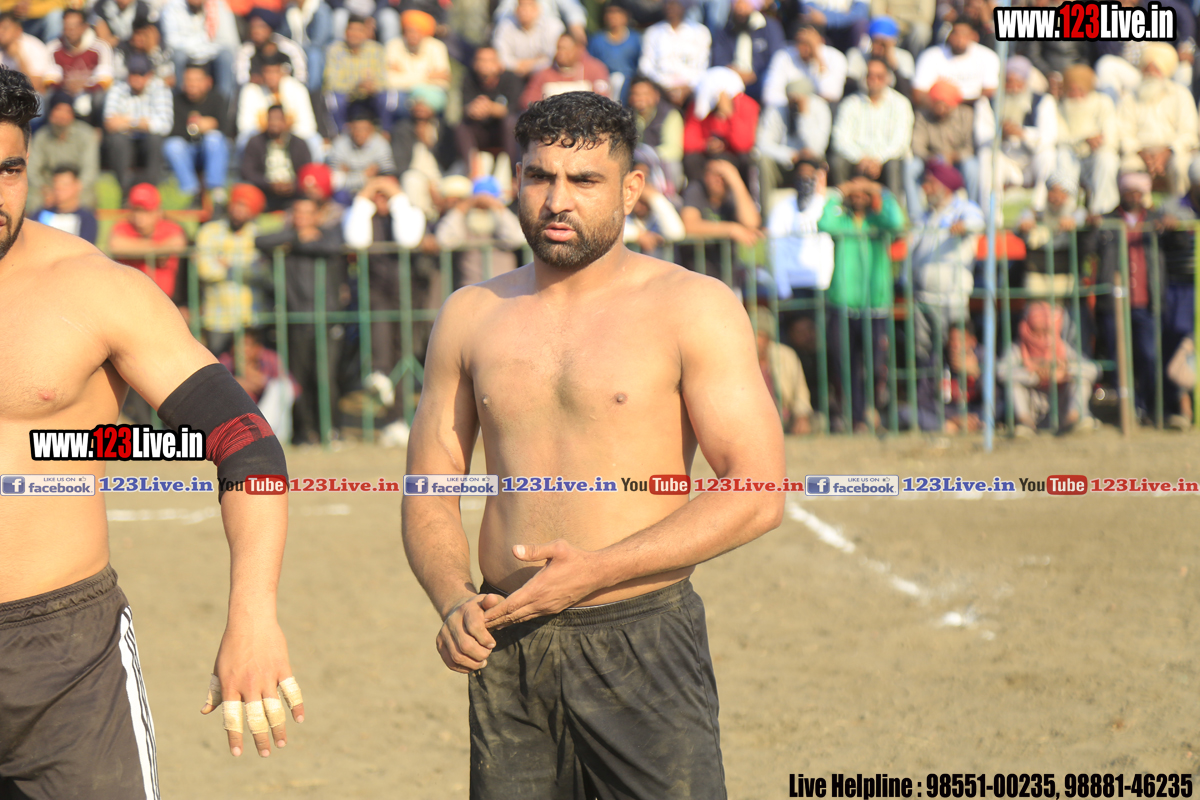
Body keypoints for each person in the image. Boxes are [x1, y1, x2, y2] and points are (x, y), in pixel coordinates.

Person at [402, 89, 784, 799]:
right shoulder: (470, 314)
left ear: (631, 188)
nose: (557, 201)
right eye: (539, 177)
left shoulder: (692, 306)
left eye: (583, 180)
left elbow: (757, 493)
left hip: (641, 639)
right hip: (506, 642)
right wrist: (453, 599)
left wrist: (598, 570)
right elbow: (430, 486)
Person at [0, 67, 302, 800]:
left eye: (8, 170)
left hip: (63, 658)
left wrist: (253, 617)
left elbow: (247, 443)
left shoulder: (93, 288)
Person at [254, 198, 346, 444]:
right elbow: (259, 241)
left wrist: (297, 242)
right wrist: (296, 237)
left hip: (327, 318)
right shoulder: (287, 237)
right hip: (295, 318)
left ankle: (331, 429)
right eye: (297, 212)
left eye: (308, 212)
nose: (302, 217)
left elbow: (332, 247)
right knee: (299, 377)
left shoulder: (329, 235)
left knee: (326, 376)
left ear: (318, 215)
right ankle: (304, 432)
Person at [817, 175, 905, 431]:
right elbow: (824, 222)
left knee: (876, 364)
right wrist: (838, 191)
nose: (858, 195)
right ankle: (857, 418)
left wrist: (879, 190)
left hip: (875, 304)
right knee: (846, 365)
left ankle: (874, 410)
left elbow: (897, 221)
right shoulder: (842, 222)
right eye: (854, 192)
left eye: (863, 192)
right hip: (843, 304)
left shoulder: (878, 222)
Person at [342, 174, 426, 439]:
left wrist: (397, 198)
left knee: (403, 353)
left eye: (385, 195)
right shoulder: (361, 215)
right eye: (376, 195)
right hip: (374, 290)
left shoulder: (412, 213)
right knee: (380, 344)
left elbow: (407, 239)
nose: (380, 200)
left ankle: (397, 419)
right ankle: (379, 379)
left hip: (407, 291)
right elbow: (356, 240)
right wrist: (363, 198)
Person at [907, 160, 984, 432]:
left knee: (955, 354)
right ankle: (931, 410)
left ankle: (962, 411)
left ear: (944, 186)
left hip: (952, 298)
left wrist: (964, 226)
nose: (925, 189)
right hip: (923, 297)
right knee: (925, 355)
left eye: (930, 183)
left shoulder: (963, 208)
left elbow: (977, 222)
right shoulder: (926, 216)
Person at [996, 301, 1100, 434]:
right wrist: (1035, 377)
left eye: (1047, 331)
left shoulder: (1062, 347)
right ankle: (1024, 422)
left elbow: (1094, 370)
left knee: (1082, 381)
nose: (1043, 338)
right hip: (1033, 405)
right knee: (1013, 384)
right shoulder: (1017, 349)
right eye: (1037, 332)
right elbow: (1001, 372)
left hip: (1060, 405)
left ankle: (1073, 419)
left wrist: (1065, 371)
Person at [195, 183, 270, 356]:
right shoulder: (209, 231)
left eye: (246, 206)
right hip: (218, 318)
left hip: (251, 317)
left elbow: (264, 273)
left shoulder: (259, 235)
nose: (239, 210)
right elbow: (205, 270)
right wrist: (245, 267)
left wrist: (227, 264)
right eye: (237, 203)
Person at [1117, 42, 1199, 198]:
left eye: (1154, 69)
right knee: (1128, 166)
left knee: (1181, 166)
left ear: (1164, 71)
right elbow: (1123, 132)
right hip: (1140, 153)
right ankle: (1139, 211)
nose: (1149, 73)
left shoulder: (1180, 94)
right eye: (1146, 68)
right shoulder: (1130, 98)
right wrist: (1142, 153)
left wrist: (1167, 152)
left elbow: (1189, 133)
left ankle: (1180, 208)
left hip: (1173, 152)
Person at [981, 56, 1057, 212]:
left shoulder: (1043, 101)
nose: (1014, 88)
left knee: (1048, 154)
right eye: (1009, 82)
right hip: (1005, 158)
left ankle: (1038, 209)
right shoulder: (988, 102)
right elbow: (981, 137)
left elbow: (1049, 137)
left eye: (1018, 83)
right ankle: (991, 214)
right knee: (986, 155)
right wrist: (1001, 135)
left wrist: (1022, 133)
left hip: (1031, 159)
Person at [829, 56, 912, 199]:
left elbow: (900, 143)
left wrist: (878, 160)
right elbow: (839, 139)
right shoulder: (850, 103)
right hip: (856, 160)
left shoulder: (901, 104)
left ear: (888, 78)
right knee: (837, 161)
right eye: (870, 76)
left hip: (886, 160)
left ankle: (894, 209)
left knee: (893, 165)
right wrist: (861, 158)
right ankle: (841, 206)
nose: (873, 80)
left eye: (879, 76)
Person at [103, 53, 173, 200]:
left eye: (141, 74)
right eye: (133, 73)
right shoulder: (118, 87)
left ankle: (150, 193)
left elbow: (165, 125)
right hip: (125, 141)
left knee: (155, 140)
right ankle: (125, 194)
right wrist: (141, 122)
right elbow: (110, 123)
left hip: (148, 142)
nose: (136, 78)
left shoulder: (160, 88)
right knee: (117, 140)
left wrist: (127, 121)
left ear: (149, 75)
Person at [755, 75, 830, 206]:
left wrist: (804, 115)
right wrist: (790, 155)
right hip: (785, 162)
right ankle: (766, 211)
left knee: (812, 165)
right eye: (791, 98)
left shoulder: (820, 108)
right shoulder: (776, 110)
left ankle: (814, 211)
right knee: (763, 162)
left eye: (798, 98)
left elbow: (817, 147)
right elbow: (762, 144)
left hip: (811, 160)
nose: (794, 102)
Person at [1056, 64, 1120, 216]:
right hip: (1073, 156)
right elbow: (1060, 137)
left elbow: (1111, 136)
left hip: (1096, 154)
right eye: (1071, 90)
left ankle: (1101, 210)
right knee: (1063, 154)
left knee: (1107, 158)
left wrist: (1096, 142)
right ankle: (1067, 211)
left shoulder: (1103, 102)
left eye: (1080, 90)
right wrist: (1083, 140)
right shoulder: (1061, 107)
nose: (1076, 95)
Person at [108, 181, 188, 302]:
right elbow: (116, 245)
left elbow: (178, 243)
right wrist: (158, 249)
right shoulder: (123, 227)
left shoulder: (171, 227)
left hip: (165, 300)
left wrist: (136, 248)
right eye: (136, 210)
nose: (140, 217)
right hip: (129, 299)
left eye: (146, 211)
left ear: (158, 211)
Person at [906, 79, 978, 210]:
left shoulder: (966, 115)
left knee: (972, 166)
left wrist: (953, 156)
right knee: (911, 167)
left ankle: (973, 209)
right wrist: (933, 158)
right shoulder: (922, 116)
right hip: (931, 162)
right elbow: (917, 146)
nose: (940, 109)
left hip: (957, 161)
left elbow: (970, 147)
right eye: (936, 104)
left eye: (944, 104)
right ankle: (916, 215)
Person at [165, 62, 230, 205]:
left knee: (214, 138)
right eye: (188, 80)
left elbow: (228, 130)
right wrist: (195, 127)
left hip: (209, 150)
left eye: (197, 80)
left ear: (208, 82)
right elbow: (171, 131)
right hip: (187, 151)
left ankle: (215, 191)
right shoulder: (176, 100)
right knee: (172, 145)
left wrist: (213, 126)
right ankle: (190, 192)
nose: (192, 84)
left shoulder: (218, 99)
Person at [456, 45, 523, 177]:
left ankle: (514, 175)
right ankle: (471, 172)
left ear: (499, 64)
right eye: (481, 60)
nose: (485, 65)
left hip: (503, 132)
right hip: (480, 132)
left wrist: (491, 108)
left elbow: (513, 108)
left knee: (510, 122)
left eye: (489, 60)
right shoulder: (468, 78)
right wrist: (473, 109)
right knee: (461, 125)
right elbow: (465, 107)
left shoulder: (511, 79)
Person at [27, 91, 99, 213]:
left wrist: (70, 190)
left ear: (72, 114)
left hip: (76, 187)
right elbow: (32, 170)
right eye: (58, 110)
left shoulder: (86, 135)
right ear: (50, 112)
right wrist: (46, 189)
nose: (62, 115)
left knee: (87, 199)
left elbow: (90, 170)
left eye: (67, 111)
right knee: (33, 199)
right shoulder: (41, 136)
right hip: (50, 187)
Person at [46, 8, 115, 125]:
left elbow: (106, 79)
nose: (71, 30)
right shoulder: (53, 47)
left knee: (101, 98)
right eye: (67, 26)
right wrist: (67, 85)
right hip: (64, 95)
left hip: (91, 96)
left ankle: (98, 128)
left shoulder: (100, 47)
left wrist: (84, 86)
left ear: (85, 27)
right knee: (49, 97)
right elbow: (49, 80)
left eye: (75, 26)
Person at [707, 0, 785, 104]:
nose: (740, 10)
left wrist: (754, 74)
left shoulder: (770, 27)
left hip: (761, 80)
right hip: (731, 79)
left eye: (744, 4)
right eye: (737, 5)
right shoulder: (726, 29)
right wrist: (735, 73)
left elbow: (777, 58)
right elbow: (719, 59)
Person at [638, 0, 712, 107]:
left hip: (692, 91)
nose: (671, 7)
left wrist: (686, 88)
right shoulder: (652, 32)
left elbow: (703, 67)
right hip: (661, 91)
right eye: (668, 3)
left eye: (675, 3)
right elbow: (645, 67)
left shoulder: (700, 31)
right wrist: (666, 87)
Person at [240, 105, 312, 212]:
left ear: (285, 121)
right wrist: (269, 184)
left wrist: (293, 185)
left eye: (278, 119)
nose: (274, 123)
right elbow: (247, 172)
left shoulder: (299, 143)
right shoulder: (255, 142)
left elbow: (307, 171)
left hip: (294, 192)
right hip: (265, 191)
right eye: (271, 119)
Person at [160, 0, 237, 99]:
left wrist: (204, 45)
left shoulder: (216, 5)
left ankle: (224, 101)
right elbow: (172, 42)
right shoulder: (172, 7)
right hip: (186, 53)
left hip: (208, 52)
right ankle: (179, 98)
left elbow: (227, 39)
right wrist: (200, 44)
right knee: (179, 57)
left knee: (226, 56)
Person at [323, 14, 388, 131]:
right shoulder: (335, 50)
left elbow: (384, 80)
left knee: (387, 97)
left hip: (371, 96)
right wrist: (357, 86)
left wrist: (373, 86)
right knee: (334, 99)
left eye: (359, 30)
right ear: (345, 32)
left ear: (366, 33)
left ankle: (386, 131)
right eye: (351, 30)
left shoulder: (376, 49)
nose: (354, 34)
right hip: (348, 97)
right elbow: (332, 83)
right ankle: (339, 133)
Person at [754, 307, 812, 434]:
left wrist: (802, 416)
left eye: (760, 335)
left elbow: (800, 391)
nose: (756, 340)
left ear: (769, 338)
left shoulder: (786, 356)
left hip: (783, 418)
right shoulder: (742, 359)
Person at [761, 23, 847, 107]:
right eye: (802, 42)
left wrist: (818, 58)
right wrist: (793, 104)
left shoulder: (836, 57)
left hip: (820, 111)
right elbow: (770, 94)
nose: (806, 48)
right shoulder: (784, 56)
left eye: (810, 43)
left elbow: (831, 95)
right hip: (788, 109)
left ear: (821, 40)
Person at [519, 31, 610, 110]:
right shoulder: (544, 74)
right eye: (559, 48)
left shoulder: (595, 70)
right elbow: (528, 100)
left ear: (578, 50)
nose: (561, 53)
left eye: (565, 49)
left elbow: (602, 99)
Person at [329, 105, 397, 202]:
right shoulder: (340, 144)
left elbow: (388, 175)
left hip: (373, 190)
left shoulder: (381, 144)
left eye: (364, 129)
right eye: (356, 129)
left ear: (371, 129)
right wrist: (364, 176)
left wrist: (351, 173)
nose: (359, 133)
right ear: (349, 128)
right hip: (347, 191)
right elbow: (335, 180)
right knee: (339, 196)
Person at [234, 7, 307, 88]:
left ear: (270, 28)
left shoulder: (289, 48)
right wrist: (264, 80)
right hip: (260, 92)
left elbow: (301, 77)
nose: (256, 31)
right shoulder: (246, 51)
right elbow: (241, 80)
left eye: (260, 27)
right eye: (253, 27)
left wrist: (281, 78)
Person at [491, 0, 563, 79]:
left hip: (544, 74)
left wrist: (531, 66)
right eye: (521, 6)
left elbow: (552, 57)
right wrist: (518, 66)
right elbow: (501, 57)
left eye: (528, 6)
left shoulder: (552, 26)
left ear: (537, 8)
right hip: (514, 75)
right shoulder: (505, 26)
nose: (524, 10)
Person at [587, 1, 641, 103]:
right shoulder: (597, 40)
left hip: (629, 86)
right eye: (610, 12)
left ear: (626, 15)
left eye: (617, 12)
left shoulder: (636, 39)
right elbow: (591, 64)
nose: (613, 16)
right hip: (604, 84)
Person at [35, 165, 98, 243]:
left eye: (65, 184)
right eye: (56, 184)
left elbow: (86, 245)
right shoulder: (42, 214)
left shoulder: (86, 218)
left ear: (77, 185)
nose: (59, 188)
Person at [0, 12, 52, 93]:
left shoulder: (34, 47)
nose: (1, 32)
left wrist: (18, 57)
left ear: (18, 30)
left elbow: (35, 86)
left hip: (27, 95)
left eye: (5, 28)